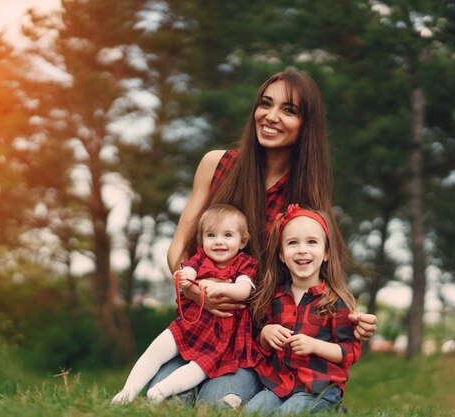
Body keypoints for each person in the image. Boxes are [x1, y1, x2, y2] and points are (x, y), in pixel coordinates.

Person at [150, 70, 377, 408]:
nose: (271, 116)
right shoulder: (216, 164)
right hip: (200, 325)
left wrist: (353, 318)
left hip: (253, 339)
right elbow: (179, 246)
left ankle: (308, 402)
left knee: (210, 408)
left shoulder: (306, 196)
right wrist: (195, 290)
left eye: (289, 110)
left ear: (306, 124)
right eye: (265, 104)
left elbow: (319, 271)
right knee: (155, 401)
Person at [112, 204, 260, 404]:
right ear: (202, 240)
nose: (219, 242)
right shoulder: (200, 259)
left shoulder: (245, 263)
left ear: (242, 242)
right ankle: (127, 392)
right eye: (211, 235)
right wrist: (184, 276)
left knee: (199, 368)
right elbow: (188, 270)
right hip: (191, 322)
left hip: (222, 335)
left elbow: (244, 290)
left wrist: (220, 288)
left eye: (227, 235)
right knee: (158, 347)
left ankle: (161, 391)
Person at [245, 204, 360, 415]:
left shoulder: (335, 301)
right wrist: (265, 335)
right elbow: (259, 348)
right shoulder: (275, 298)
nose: (302, 250)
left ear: (326, 253)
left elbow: (350, 351)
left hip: (318, 389)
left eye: (312, 242)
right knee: (249, 412)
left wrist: (314, 345)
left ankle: (332, 408)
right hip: (278, 386)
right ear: (281, 255)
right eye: (292, 243)